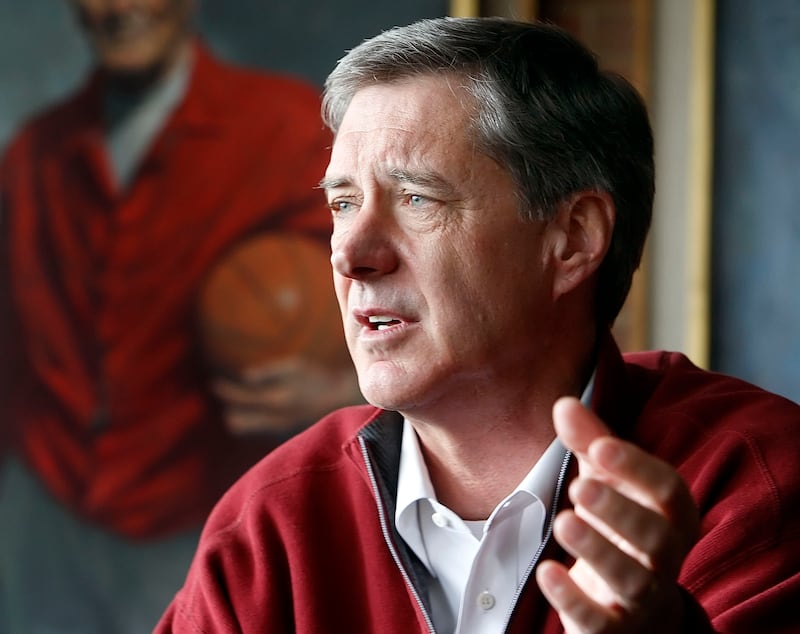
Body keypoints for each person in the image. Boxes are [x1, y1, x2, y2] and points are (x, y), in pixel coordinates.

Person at [156, 16, 800, 634]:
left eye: (417, 198)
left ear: (573, 238)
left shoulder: (755, 480)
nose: (351, 256)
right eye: (343, 204)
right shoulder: (271, 520)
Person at [0, 1, 360, 632]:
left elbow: (380, 284)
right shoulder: (35, 151)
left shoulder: (283, 127)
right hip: (47, 514)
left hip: (199, 508)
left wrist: (338, 390)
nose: (120, 8)